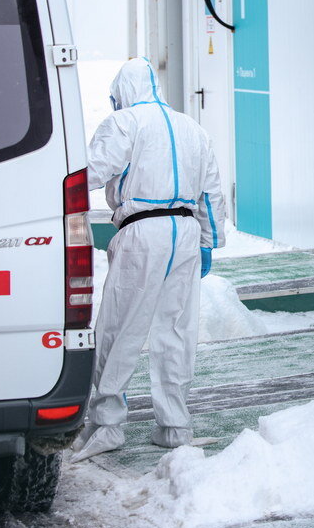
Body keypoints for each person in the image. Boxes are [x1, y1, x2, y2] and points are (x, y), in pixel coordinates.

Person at [71, 59, 226, 462]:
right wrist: (210, 240)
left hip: (142, 230)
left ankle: (107, 423)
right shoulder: (191, 127)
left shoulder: (124, 123)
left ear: (121, 92)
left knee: (120, 326)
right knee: (176, 329)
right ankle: (175, 425)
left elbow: (91, 172)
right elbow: (211, 191)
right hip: (186, 233)